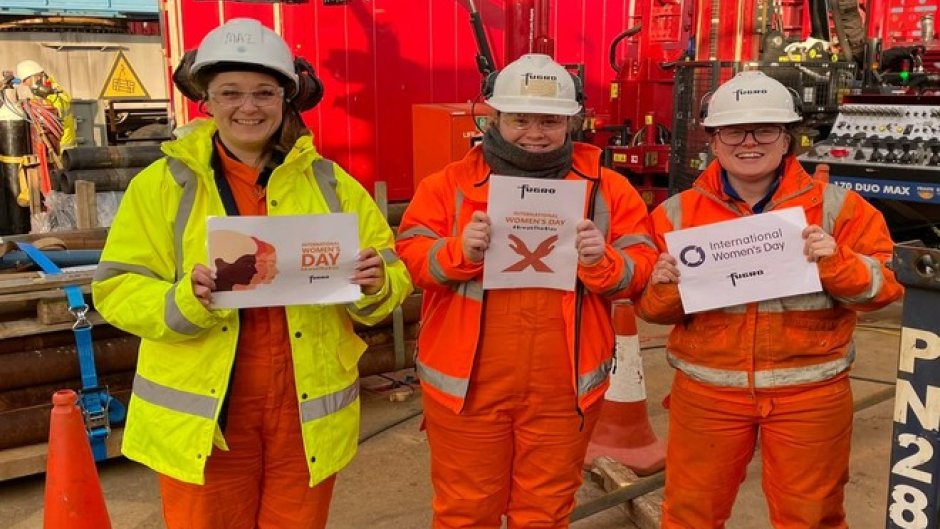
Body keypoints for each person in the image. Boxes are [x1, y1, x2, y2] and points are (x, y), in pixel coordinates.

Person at [91, 18, 412, 529]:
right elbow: (115, 287)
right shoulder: (162, 186)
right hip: (207, 423)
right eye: (230, 92)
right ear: (206, 100)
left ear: (286, 98)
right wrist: (184, 300)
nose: (248, 107)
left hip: (302, 419)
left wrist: (377, 284)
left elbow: (390, 273)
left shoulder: (330, 184)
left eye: (264, 92)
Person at [396, 53, 657, 529]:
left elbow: (641, 269)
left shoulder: (609, 190)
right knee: (465, 511)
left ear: (571, 122)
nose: (535, 133)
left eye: (550, 121)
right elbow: (412, 258)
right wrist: (458, 251)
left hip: (563, 390)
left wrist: (603, 262)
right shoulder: (447, 185)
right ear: (494, 117)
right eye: (520, 119)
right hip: (468, 389)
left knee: (545, 512)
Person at [636, 70, 903, 528]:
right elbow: (651, 311)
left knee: (812, 516)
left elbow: (886, 289)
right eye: (734, 131)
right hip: (708, 394)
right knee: (689, 514)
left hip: (809, 394)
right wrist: (663, 286)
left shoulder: (840, 208)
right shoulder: (675, 214)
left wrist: (836, 261)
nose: (749, 143)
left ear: (786, 139)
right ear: (714, 141)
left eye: (765, 130)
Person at [15, 59, 75, 153]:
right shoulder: (40, 91)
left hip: (62, 143)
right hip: (51, 141)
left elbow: (54, 114)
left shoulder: (52, 91)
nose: (25, 84)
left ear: (36, 77)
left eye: (25, 80)